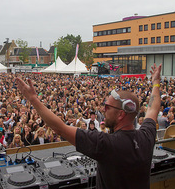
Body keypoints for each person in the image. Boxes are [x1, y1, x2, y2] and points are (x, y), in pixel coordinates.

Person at [16, 63, 162, 189]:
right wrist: (155, 82)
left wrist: (33, 99)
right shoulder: (147, 136)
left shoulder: (107, 144)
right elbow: (153, 109)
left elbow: (59, 127)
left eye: (107, 107)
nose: (103, 109)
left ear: (121, 115)